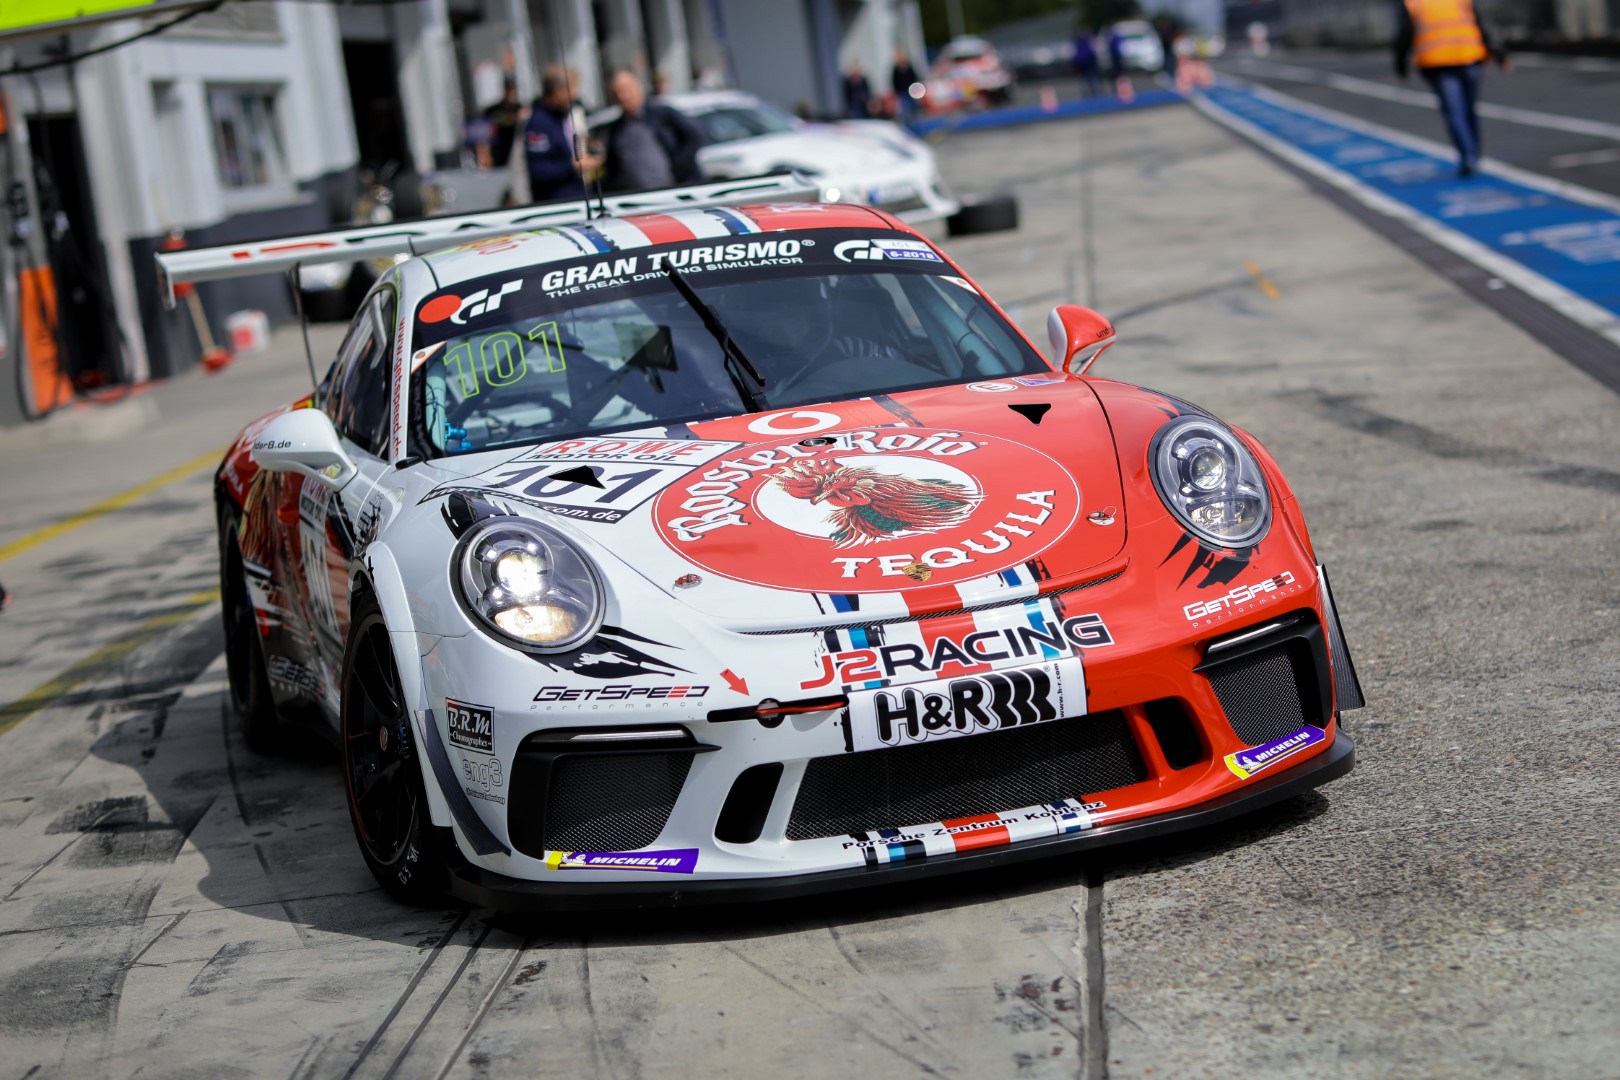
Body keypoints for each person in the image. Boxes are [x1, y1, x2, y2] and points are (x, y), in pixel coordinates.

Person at [1394, 0, 1508, 177]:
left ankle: (1468, 157)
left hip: (1439, 64)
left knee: (1455, 112)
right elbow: (1483, 23)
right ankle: (1474, 154)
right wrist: (1500, 54)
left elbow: (1404, 35)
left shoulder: (1413, 3)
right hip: (1468, 57)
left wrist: (1401, 65)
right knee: (1469, 110)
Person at [596, 69, 706, 194]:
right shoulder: (615, 130)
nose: (622, 97)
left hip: (679, 192)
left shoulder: (661, 114)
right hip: (639, 200)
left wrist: (678, 168)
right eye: (616, 93)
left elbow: (695, 135)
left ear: (638, 87)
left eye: (625, 90)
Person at [524, 67, 598, 202]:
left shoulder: (563, 115)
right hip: (558, 202)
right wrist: (572, 166)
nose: (575, 95)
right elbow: (538, 170)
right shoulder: (538, 123)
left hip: (579, 195)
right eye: (571, 90)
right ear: (557, 92)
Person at [484, 78, 523, 169]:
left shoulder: (520, 109)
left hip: (514, 151)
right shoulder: (494, 110)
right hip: (499, 151)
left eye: (513, 89)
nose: (511, 92)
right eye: (509, 89)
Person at [890, 49, 921, 124]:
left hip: (912, 92)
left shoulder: (909, 66)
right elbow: (894, 81)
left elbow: (914, 78)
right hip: (902, 93)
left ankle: (916, 125)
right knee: (905, 111)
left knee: (914, 109)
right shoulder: (896, 69)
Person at [1072, 28, 1100, 98]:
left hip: (1083, 62)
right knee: (1091, 77)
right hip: (1089, 62)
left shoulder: (1079, 41)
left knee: (1085, 78)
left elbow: (1076, 53)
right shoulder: (1087, 40)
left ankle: (1087, 93)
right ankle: (1093, 92)